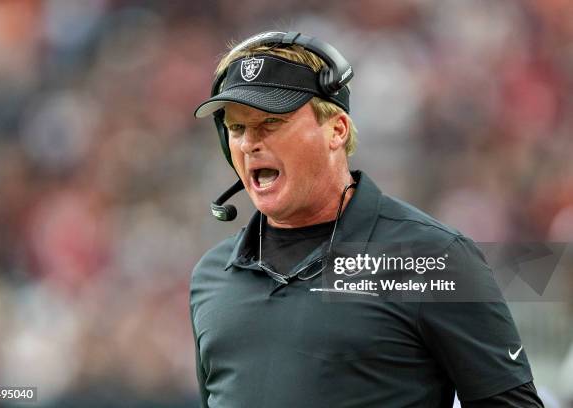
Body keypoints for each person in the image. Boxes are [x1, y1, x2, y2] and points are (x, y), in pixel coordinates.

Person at [190, 31, 544, 408]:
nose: (248, 143)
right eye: (237, 128)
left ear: (336, 130)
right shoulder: (212, 277)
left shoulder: (432, 258)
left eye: (271, 123)